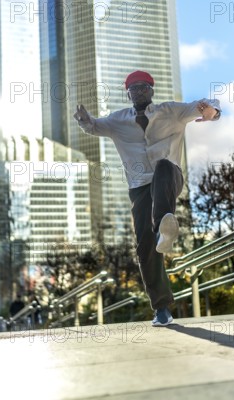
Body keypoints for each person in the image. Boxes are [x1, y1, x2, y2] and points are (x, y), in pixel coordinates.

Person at [73, 70, 220, 326]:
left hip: (169, 176)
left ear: (151, 90)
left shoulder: (171, 111)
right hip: (139, 187)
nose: (139, 92)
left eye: (143, 87)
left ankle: (164, 222)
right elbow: (94, 126)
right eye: (134, 88)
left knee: (163, 165)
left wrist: (212, 113)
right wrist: (84, 120)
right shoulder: (118, 120)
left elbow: (205, 106)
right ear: (127, 93)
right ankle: (162, 308)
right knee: (144, 245)